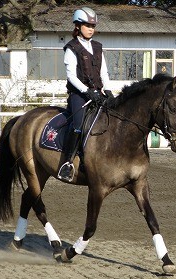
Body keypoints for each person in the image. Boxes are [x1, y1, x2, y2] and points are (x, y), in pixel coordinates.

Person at [58, 7, 111, 182]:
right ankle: (67, 163)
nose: (90, 28)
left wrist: (108, 89)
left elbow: (104, 73)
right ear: (78, 25)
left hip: (97, 93)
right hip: (79, 95)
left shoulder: (98, 47)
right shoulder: (71, 48)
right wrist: (86, 91)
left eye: (93, 25)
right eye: (87, 25)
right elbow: (71, 76)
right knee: (78, 125)